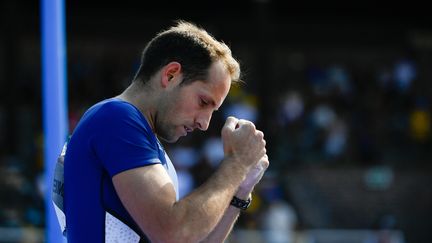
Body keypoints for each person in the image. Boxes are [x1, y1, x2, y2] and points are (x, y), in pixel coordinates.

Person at [56, 20, 269, 242]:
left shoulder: (132, 131)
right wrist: (237, 163)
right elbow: (174, 233)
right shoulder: (116, 119)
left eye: (213, 110)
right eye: (204, 102)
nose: (204, 123)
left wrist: (240, 190)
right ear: (170, 75)